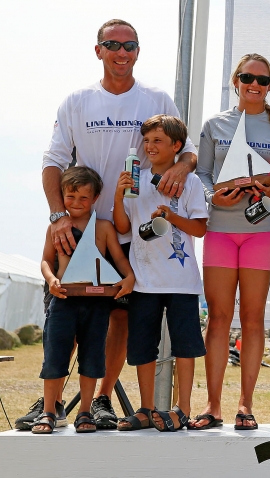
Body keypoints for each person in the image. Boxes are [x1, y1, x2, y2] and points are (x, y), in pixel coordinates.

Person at [26, 18, 199, 430]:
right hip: (82, 227)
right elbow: (53, 161)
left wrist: (182, 169)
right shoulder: (77, 101)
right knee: (65, 315)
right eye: (113, 45)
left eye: (130, 45)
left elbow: (187, 151)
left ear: (138, 51)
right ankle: (51, 403)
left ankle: (101, 398)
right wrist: (58, 215)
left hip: (130, 230)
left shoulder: (157, 97)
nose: (122, 53)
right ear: (98, 50)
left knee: (118, 318)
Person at [192, 53, 270, 431]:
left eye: (263, 80)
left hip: (259, 234)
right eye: (248, 77)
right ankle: (213, 406)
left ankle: (246, 406)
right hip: (220, 230)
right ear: (235, 80)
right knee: (218, 319)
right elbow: (202, 173)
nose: (255, 84)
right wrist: (210, 198)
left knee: (253, 321)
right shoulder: (215, 124)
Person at [112, 114, 208, 431]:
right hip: (144, 281)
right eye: (147, 140)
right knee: (142, 347)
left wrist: (170, 215)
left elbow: (200, 228)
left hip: (182, 281)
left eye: (158, 141)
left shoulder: (190, 183)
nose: (150, 146)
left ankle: (182, 408)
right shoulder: (134, 179)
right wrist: (117, 196)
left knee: (186, 346)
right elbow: (124, 228)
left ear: (176, 145)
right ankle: (146, 409)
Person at [32, 166, 135, 434]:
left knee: (92, 356)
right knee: (55, 355)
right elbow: (45, 260)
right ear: (62, 195)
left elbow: (120, 259)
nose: (76, 204)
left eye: (83, 198)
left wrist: (129, 278)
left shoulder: (104, 227)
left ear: (95, 198)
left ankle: (86, 410)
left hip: (97, 303)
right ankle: (48, 411)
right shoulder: (55, 227)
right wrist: (51, 279)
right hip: (64, 299)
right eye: (70, 197)